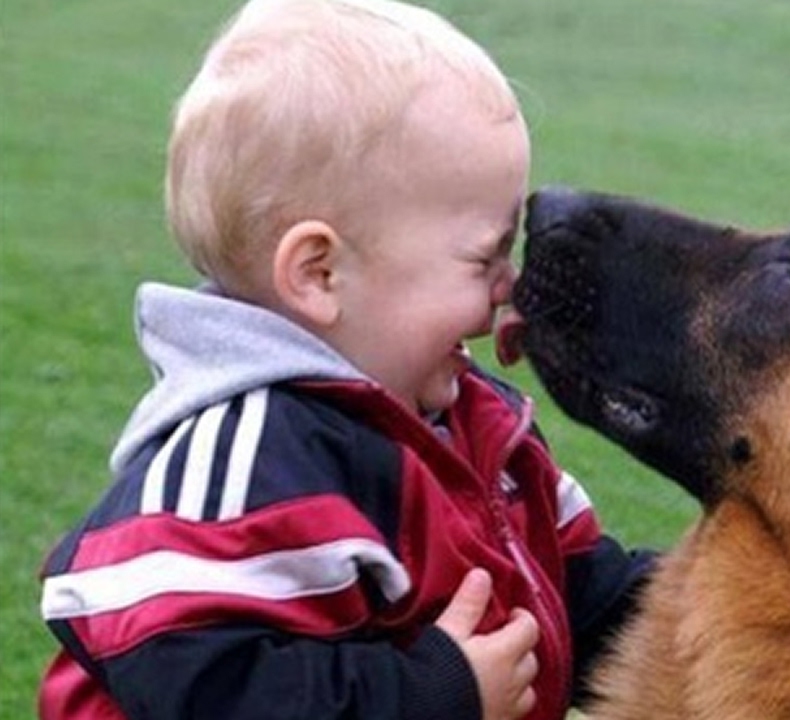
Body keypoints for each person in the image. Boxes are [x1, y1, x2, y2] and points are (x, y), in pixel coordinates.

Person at [37, 1, 652, 718]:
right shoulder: (243, 462)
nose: (508, 288)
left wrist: (732, 609)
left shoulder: (475, 426)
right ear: (320, 274)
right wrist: (431, 695)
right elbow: (204, 686)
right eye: (484, 256)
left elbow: (580, 589)